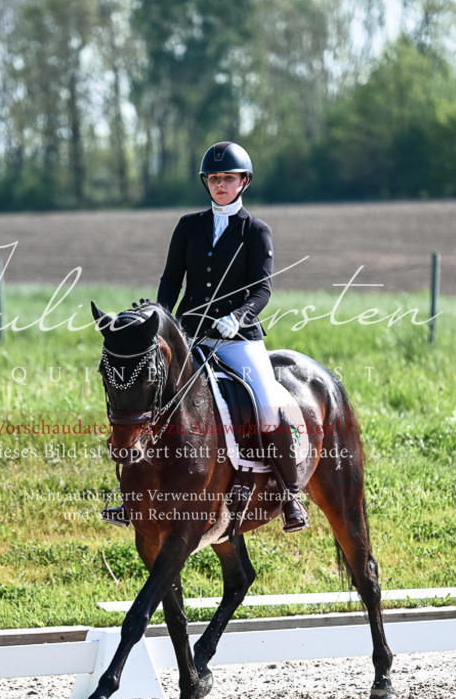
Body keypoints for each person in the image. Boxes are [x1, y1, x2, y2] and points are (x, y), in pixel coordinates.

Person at [102, 141, 308, 533]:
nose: (220, 185)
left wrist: (239, 316)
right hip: (189, 337)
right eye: (214, 179)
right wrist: (156, 325)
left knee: (266, 406)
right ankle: (130, 494)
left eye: (228, 178)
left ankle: (291, 493)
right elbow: (170, 282)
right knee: (151, 403)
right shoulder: (187, 226)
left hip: (239, 339)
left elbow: (262, 290)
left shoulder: (256, 231)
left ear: (243, 182)